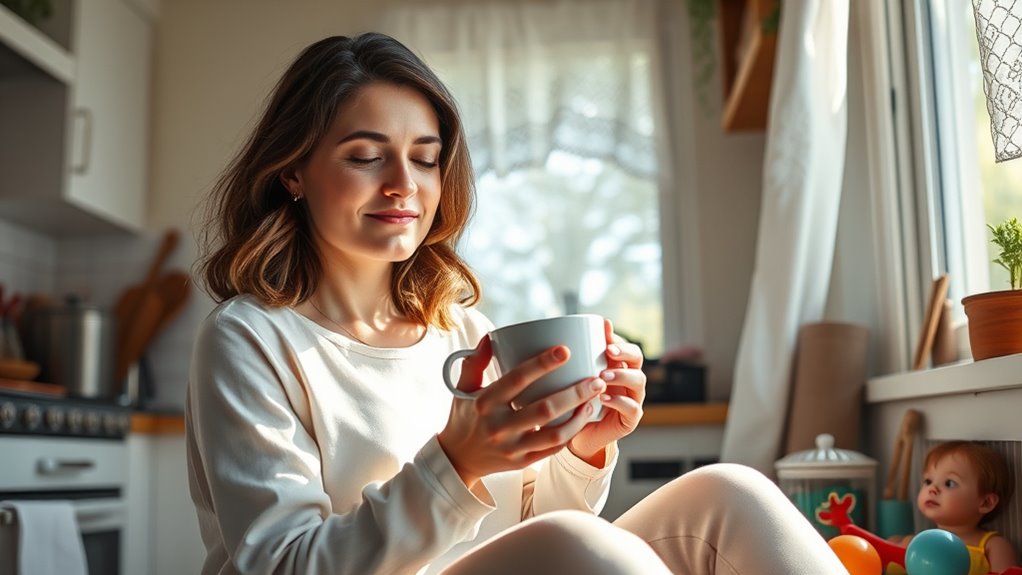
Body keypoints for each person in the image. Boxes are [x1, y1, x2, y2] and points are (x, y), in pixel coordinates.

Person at [187, 32, 848, 575]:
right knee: (594, 550)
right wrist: (456, 461)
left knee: (731, 492)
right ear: (293, 171)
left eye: (424, 159)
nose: (404, 185)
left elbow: (529, 528)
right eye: (366, 156)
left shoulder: (460, 330)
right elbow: (280, 564)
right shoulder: (248, 339)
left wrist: (583, 449)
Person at [891, 441, 1017, 574]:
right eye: (928, 481)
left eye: (949, 483)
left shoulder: (993, 547)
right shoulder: (914, 543)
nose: (932, 489)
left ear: (986, 502)